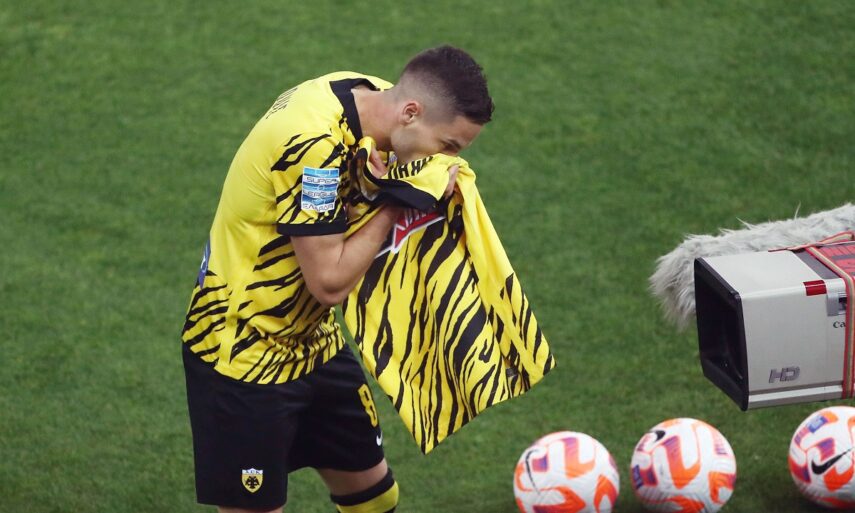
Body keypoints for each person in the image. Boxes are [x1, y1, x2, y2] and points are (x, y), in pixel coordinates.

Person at [181, 45, 494, 513]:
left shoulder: (370, 98)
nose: (446, 160)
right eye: (448, 146)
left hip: (313, 341)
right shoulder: (311, 146)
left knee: (375, 497)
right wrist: (396, 201)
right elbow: (328, 283)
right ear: (411, 112)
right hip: (243, 352)